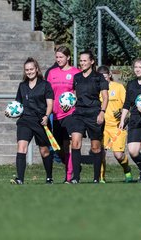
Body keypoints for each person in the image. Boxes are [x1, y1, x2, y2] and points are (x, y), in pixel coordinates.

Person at [7, 57, 54, 184]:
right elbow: (18, 105)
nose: (29, 72)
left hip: (41, 121)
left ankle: (49, 177)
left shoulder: (45, 85)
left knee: (44, 151)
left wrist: (46, 116)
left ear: (37, 69)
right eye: (27, 70)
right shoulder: (22, 86)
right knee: (21, 147)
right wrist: (11, 113)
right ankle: (20, 179)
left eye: (31, 69)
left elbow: (50, 104)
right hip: (25, 121)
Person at [69, 50, 108, 184]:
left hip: (94, 113)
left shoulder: (99, 77)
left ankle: (96, 178)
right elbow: (74, 95)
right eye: (81, 60)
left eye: (85, 60)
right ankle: (76, 177)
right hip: (79, 113)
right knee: (75, 143)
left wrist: (102, 112)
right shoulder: (77, 77)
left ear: (91, 61)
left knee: (95, 147)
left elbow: (105, 97)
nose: (82, 63)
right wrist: (67, 104)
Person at [47, 46, 81, 183]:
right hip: (55, 115)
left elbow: (79, 92)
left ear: (68, 57)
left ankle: (69, 177)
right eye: (57, 57)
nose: (59, 59)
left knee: (69, 143)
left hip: (70, 114)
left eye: (61, 57)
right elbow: (48, 93)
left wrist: (74, 102)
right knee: (59, 148)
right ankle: (71, 166)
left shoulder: (76, 73)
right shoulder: (52, 73)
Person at [97, 65, 133, 183]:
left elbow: (127, 104)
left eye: (105, 77)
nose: (103, 80)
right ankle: (101, 177)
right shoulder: (97, 89)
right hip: (103, 127)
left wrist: (124, 115)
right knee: (100, 153)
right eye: (100, 78)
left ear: (110, 75)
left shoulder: (118, 87)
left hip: (117, 127)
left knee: (118, 155)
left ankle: (127, 170)